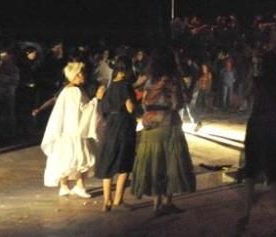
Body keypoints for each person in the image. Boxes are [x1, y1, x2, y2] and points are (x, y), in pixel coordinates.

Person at [131, 46, 195, 215]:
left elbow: (134, 93)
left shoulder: (147, 78)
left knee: (154, 164)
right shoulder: (172, 79)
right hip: (168, 124)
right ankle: (167, 202)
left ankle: (156, 203)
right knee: (169, 164)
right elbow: (177, 103)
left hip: (149, 125)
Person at [239, 49, 276, 230]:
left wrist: (252, 74)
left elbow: (242, 98)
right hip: (275, 124)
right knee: (275, 172)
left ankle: (245, 214)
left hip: (258, 123)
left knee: (251, 171)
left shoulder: (256, 81)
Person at [41, 61, 99, 199]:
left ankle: (64, 186)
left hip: (65, 132)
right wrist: (96, 100)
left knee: (66, 158)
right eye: (82, 72)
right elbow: (82, 111)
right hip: (74, 132)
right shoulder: (75, 91)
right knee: (79, 158)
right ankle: (79, 186)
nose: (84, 75)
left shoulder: (65, 90)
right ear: (77, 74)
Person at [95, 56, 137, 211]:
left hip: (109, 125)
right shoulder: (126, 86)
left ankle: (107, 200)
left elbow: (102, 109)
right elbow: (130, 108)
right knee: (124, 162)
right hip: (123, 124)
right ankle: (118, 199)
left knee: (109, 160)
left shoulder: (108, 87)